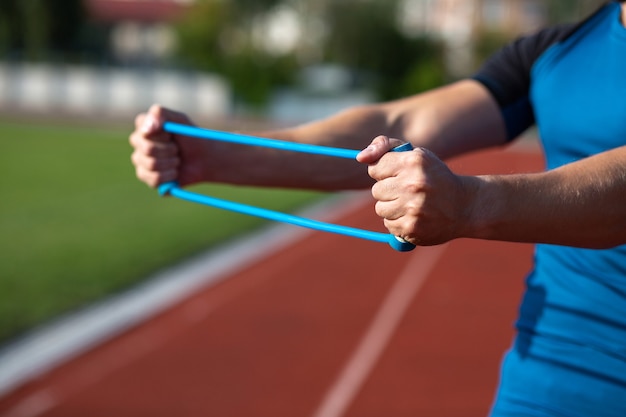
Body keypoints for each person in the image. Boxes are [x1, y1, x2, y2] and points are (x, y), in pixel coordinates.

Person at [129, 1, 626, 415]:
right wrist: (214, 156)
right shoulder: (559, 50)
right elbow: (401, 121)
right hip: (546, 372)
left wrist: (469, 204)